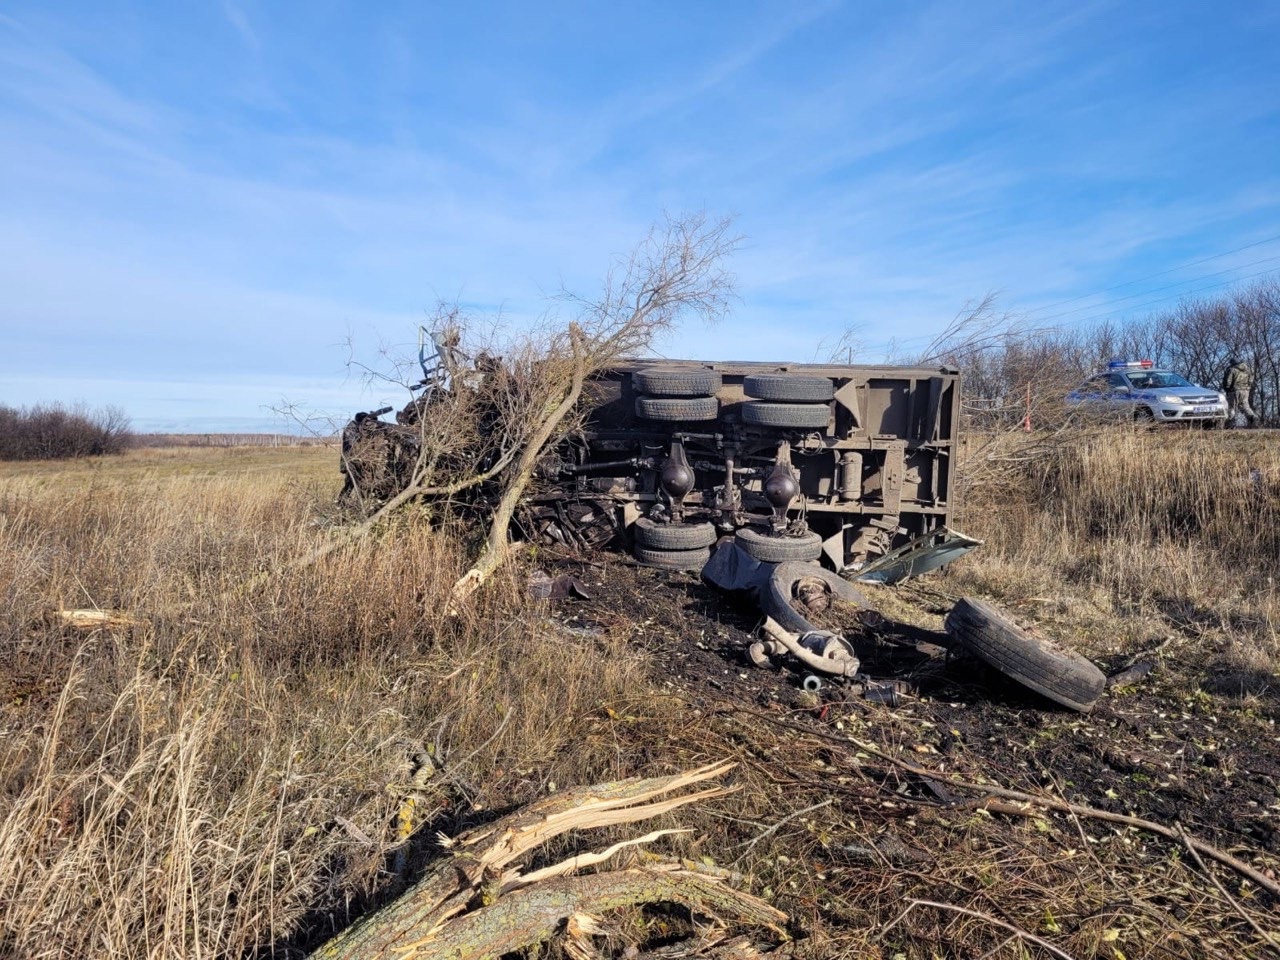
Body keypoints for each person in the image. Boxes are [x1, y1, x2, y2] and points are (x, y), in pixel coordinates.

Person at [1222, 357, 1259, 428]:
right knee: (1245, 406)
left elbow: (1227, 382)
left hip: (1234, 391)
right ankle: (1253, 417)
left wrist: (1227, 389)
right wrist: (1247, 387)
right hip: (1246, 391)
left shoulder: (1232, 370)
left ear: (1232, 363)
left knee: (1231, 407)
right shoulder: (1247, 370)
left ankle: (1230, 424)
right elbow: (1251, 381)